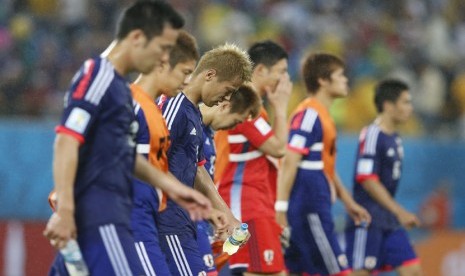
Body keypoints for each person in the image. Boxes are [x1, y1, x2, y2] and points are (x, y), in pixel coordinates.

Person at [43, 2, 212, 275]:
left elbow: (123, 153)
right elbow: (66, 140)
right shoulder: (97, 75)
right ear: (136, 38)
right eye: (162, 48)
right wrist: (65, 210)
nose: (163, 58)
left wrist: (174, 188)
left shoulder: (120, 88)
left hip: (111, 214)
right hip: (102, 215)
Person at [159, 43, 253, 276]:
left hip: (184, 220)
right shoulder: (174, 106)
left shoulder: (194, 115)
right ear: (210, 75)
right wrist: (205, 210)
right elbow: (153, 160)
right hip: (166, 219)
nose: (227, 98)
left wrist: (228, 216)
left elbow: (198, 169)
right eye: (229, 89)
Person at [275, 53, 371, 276]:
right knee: (337, 271)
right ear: (322, 80)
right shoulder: (309, 114)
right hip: (309, 207)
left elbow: (325, 167)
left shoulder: (321, 115)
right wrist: (280, 208)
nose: (346, 80)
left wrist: (348, 202)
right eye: (340, 75)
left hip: (311, 205)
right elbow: (290, 159)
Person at [214, 40, 292, 276]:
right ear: (260, 71)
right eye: (280, 72)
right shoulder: (244, 104)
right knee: (259, 272)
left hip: (254, 205)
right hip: (246, 208)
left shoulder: (251, 105)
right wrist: (281, 106)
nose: (284, 80)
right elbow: (278, 149)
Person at [130, 30, 202, 276]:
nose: (186, 82)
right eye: (184, 72)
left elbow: (152, 168)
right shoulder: (129, 105)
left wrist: (186, 196)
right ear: (162, 63)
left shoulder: (154, 114)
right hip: (126, 221)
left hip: (145, 220)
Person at [344, 79, 422, 276]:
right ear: (388, 105)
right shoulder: (372, 134)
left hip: (387, 219)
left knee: (412, 269)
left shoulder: (395, 138)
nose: (410, 108)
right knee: (361, 272)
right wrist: (400, 212)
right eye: (405, 102)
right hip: (367, 218)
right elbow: (367, 179)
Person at [198, 83, 262, 275]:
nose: (233, 127)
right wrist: (227, 217)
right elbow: (192, 174)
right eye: (235, 121)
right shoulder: (190, 125)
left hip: (199, 222)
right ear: (225, 106)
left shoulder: (209, 134)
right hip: (179, 222)